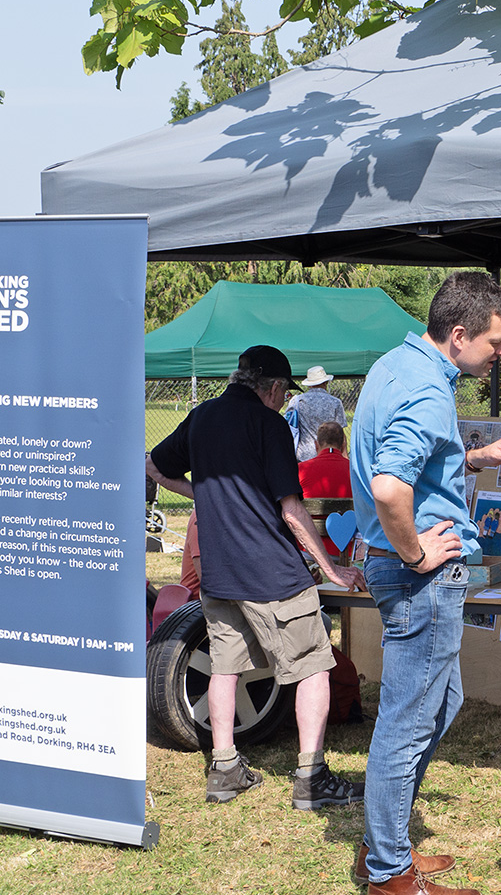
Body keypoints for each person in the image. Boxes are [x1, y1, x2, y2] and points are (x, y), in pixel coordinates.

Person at [350, 270, 501, 895]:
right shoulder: (428, 393)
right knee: (407, 720)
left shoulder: (397, 366)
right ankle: (389, 872)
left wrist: (479, 456)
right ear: (459, 335)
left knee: (443, 700)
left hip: (400, 568)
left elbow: (416, 454)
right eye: (496, 342)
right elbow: (388, 488)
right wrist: (417, 550)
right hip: (418, 574)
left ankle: (388, 837)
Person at [146, 345, 367, 808]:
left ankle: (224, 767)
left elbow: (154, 467)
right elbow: (291, 509)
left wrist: (203, 496)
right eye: (283, 391)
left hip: (220, 572)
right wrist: (332, 569)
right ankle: (312, 778)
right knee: (313, 665)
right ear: (272, 388)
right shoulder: (269, 425)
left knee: (225, 666)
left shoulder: (201, 416)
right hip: (273, 573)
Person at [298, 422, 353, 558]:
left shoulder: (300, 470)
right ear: (343, 445)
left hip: (308, 549)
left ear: (316, 445)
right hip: (347, 548)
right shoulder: (356, 471)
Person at [286, 364, 347, 462]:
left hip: (303, 455)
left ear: (309, 384)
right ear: (325, 382)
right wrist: (344, 457)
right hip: (329, 454)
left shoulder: (297, 401)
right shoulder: (335, 402)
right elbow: (340, 431)